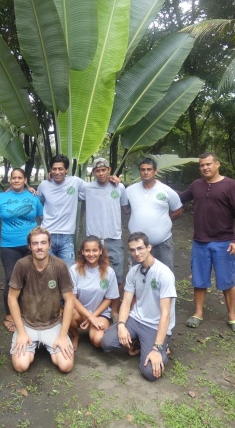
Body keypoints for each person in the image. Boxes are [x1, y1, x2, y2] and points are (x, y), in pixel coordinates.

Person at [178, 152, 235, 333]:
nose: (205, 168)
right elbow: (179, 198)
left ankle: (232, 316)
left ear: (218, 164)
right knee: (199, 280)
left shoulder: (231, 185)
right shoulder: (196, 185)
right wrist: (157, 186)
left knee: (227, 280)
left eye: (208, 164)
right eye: (202, 165)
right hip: (200, 241)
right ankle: (198, 313)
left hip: (224, 242)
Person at [101, 232, 176, 382]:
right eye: (133, 250)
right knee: (107, 342)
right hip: (135, 319)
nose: (137, 253)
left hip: (155, 325)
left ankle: (162, 350)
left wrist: (157, 348)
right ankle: (140, 343)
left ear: (149, 247)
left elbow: (166, 314)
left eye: (140, 248)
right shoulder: (133, 272)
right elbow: (127, 302)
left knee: (150, 373)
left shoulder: (164, 274)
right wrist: (121, 325)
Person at [7, 227, 75, 373]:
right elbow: (12, 298)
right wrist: (21, 332)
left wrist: (63, 335)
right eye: (35, 243)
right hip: (27, 324)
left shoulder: (59, 266)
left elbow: (69, 300)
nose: (39, 247)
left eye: (43, 243)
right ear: (30, 246)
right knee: (21, 366)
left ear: (49, 245)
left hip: (53, 323)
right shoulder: (22, 265)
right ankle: (30, 344)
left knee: (66, 366)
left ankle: (53, 342)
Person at [0, 168, 43, 332]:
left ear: (25, 179)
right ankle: (9, 315)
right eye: (14, 178)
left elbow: (42, 217)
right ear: (10, 180)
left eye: (20, 177)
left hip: (31, 246)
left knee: (33, 279)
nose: (16, 180)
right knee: (11, 279)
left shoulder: (33, 197)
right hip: (9, 245)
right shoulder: (1, 197)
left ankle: (31, 312)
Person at [79, 157, 128, 320]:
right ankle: (92, 309)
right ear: (93, 172)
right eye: (97, 170)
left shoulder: (119, 187)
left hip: (113, 237)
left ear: (109, 169)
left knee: (117, 275)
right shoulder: (86, 188)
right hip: (94, 240)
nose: (101, 173)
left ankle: (114, 310)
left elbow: (126, 206)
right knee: (92, 274)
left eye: (104, 170)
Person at [124, 157, 183, 271]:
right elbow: (125, 207)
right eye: (143, 169)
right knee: (138, 275)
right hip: (137, 244)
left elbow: (178, 210)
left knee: (165, 274)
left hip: (162, 242)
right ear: (139, 171)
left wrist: (164, 220)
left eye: (149, 169)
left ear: (155, 171)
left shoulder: (166, 190)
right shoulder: (130, 190)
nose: (146, 172)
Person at [69, 236, 119, 350]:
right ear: (82, 252)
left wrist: (94, 317)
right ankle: (75, 336)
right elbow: (72, 298)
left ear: (101, 251)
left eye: (95, 250)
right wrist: (90, 317)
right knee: (69, 311)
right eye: (87, 250)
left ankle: (95, 331)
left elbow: (108, 299)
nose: (91, 254)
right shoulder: (74, 270)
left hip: (100, 314)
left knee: (97, 341)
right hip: (80, 313)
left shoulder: (109, 272)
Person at [37, 154, 85, 266]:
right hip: (47, 234)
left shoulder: (75, 182)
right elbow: (37, 202)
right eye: (54, 169)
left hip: (67, 237)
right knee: (48, 272)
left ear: (66, 170)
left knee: (68, 273)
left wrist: (111, 178)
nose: (57, 172)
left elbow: (93, 189)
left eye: (60, 169)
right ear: (50, 170)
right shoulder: (44, 185)